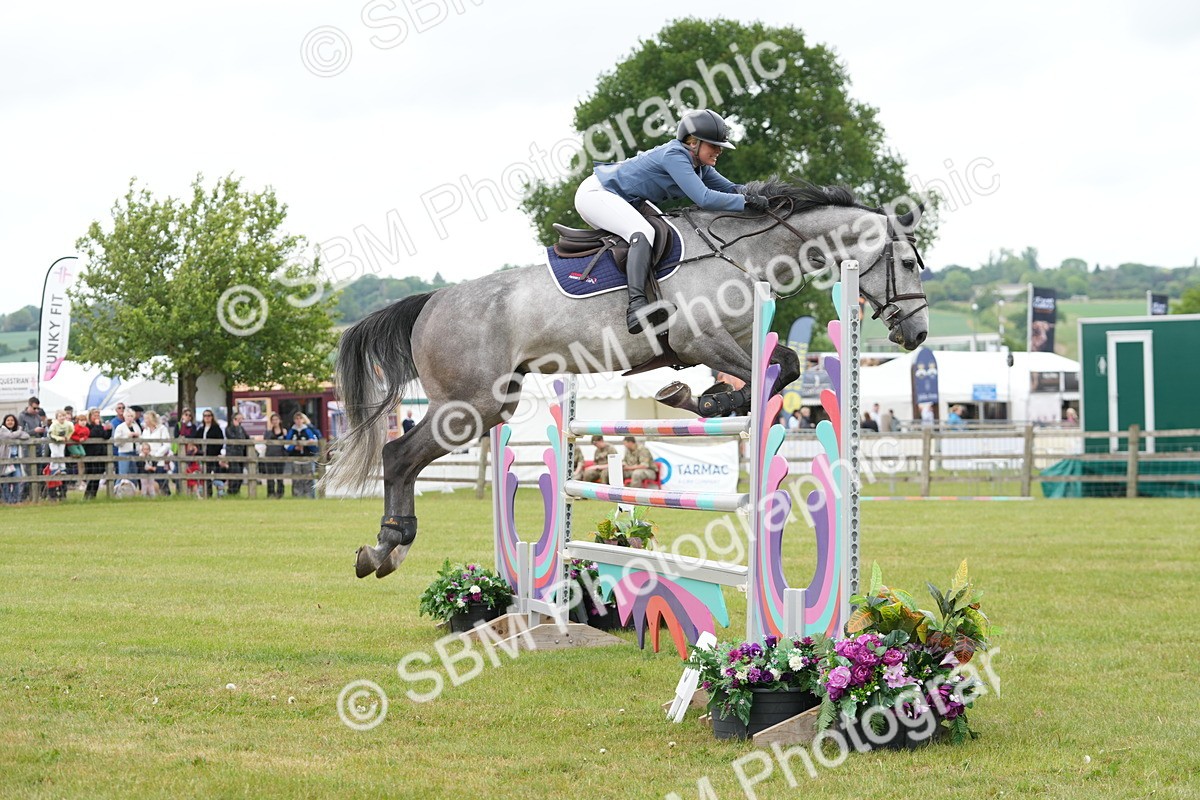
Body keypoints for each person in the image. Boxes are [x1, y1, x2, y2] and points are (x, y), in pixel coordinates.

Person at [574, 108, 767, 334]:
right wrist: (746, 202)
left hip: (621, 199)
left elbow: (732, 188)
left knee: (658, 231)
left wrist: (765, 198)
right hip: (595, 194)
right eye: (714, 145)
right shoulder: (675, 156)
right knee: (643, 232)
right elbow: (704, 198)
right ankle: (636, 307)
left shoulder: (699, 166)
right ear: (693, 142)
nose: (719, 151)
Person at [285, 412, 320, 498]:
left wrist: (309, 443)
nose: (298, 420)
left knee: (309, 478)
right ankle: (297, 496)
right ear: (294, 420)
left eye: (300, 418)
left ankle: (310, 496)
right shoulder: (292, 431)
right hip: (296, 458)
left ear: (303, 420)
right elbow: (286, 445)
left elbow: (316, 442)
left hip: (307, 458)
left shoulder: (308, 430)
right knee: (297, 479)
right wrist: (294, 447)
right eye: (296, 419)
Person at [1, 413, 31, 503]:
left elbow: (26, 436)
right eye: (8, 420)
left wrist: (17, 433)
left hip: (17, 460)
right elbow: (9, 436)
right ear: (4, 422)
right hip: (5, 460)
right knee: (6, 481)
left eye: (12, 420)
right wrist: (20, 431)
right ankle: (7, 501)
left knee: (18, 480)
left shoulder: (16, 431)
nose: (10, 422)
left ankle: (16, 500)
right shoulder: (2, 430)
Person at [82, 408, 111, 499]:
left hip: (100, 453)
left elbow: (105, 436)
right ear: (90, 416)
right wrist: (98, 425)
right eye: (95, 415)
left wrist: (109, 430)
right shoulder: (87, 426)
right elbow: (92, 434)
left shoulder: (100, 426)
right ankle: (87, 494)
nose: (97, 417)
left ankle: (93, 495)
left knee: (98, 475)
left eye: (98, 415)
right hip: (91, 453)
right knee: (92, 474)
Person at [141, 410, 172, 496]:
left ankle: (166, 496)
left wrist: (157, 455)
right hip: (148, 459)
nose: (145, 421)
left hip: (159, 458)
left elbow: (167, 444)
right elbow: (142, 443)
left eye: (146, 419)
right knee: (148, 480)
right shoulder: (145, 431)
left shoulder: (162, 429)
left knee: (161, 479)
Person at [47, 409, 73, 499]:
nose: (62, 418)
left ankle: (62, 468)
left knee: (61, 454)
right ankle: (53, 468)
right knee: (55, 454)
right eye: (60, 416)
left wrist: (67, 437)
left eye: (63, 416)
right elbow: (50, 434)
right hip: (53, 440)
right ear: (57, 417)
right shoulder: (54, 425)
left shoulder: (68, 424)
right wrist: (58, 438)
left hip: (62, 440)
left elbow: (71, 430)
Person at [111, 409, 142, 485]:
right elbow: (116, 442)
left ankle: (133, 491)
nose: (130, 418)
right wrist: (127, 436)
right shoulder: (120, 427)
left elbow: (141, 437)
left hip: (135, 452)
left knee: (134, 473)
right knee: (123, 474)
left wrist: (138, 436)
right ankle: (117, 490)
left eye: (131, 416)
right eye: (128, 416)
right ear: (125, 417)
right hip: (124, 452)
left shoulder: (136, 426)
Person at [262, 412, 288, 498]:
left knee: (279, 475)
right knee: (270, 475)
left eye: (276, 419)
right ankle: (270, 493)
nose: (275, 421)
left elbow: (287, 442)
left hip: (280, 455)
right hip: (270, 455)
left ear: (279, 420)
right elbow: (265, 441)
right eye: (273, 420)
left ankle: (280, 493)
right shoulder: (268, 432)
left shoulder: (284, 431)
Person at [224, 412, 248, 495]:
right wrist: (237, 427)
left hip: (241, 453)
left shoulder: (242, 428)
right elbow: (235, 439)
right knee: (235, 473)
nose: (240, 420)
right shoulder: (229, 429)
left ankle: (237, 491)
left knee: (240, 473)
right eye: (238, 418)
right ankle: (231, 491)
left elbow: (246, 438)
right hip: (232, 454)